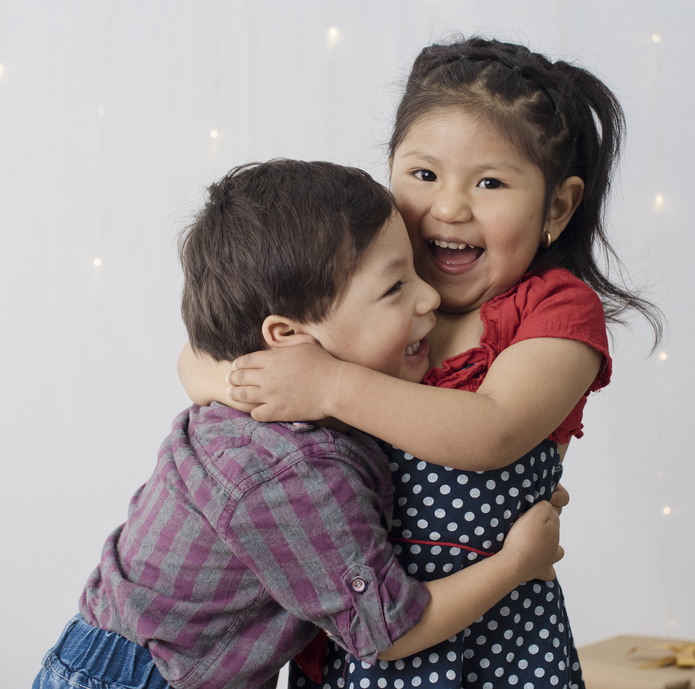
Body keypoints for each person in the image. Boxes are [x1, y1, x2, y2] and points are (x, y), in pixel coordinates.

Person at [181, 38, 662, 688]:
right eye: (424, 174)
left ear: (556, 207)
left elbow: (491, 431)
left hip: (490, 633)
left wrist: (325, 382)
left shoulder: (557, 310)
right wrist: (260, 379)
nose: (449, 206)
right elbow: (201, 354)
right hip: (358, 630)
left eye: (489, 182)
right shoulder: (369, 299)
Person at [32, 160, 567, 689]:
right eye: (394, 288)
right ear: (287, 337)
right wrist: (517, 563)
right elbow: (384, 631)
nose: (429, 297)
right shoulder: (294, 465)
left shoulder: (280, 400)